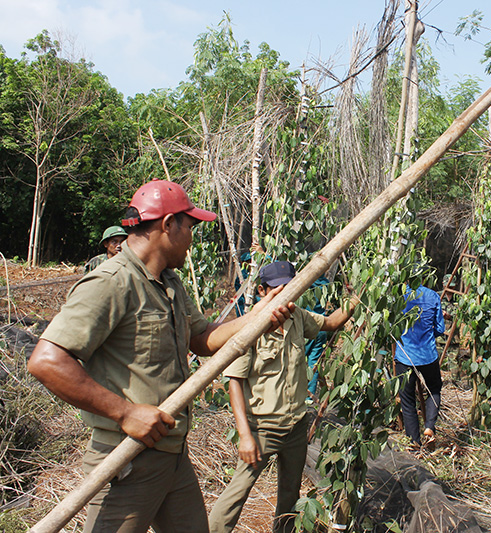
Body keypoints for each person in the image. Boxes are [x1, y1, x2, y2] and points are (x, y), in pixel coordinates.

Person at [27, 180, 294, 533]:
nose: (193, 238)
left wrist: (260, 314)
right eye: (190, 227)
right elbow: (46, 361)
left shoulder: (170, 284)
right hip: (126, 460)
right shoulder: (112, 282)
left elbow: (201, 338)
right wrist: (124, 412)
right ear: (168, 225)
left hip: (172, 455)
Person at [208, 261, 358, 533]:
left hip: (296, 426)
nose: (286, 297)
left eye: (291, 290)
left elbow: (332, 322)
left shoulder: (298, 316)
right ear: (263, 291)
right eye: (279, 291)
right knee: (236, 494)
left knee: (290, 494)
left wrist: (355, 300)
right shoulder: (250, 327)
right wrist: (244, 435)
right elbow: (235, 383)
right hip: (262, 429)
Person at [394, 284, 446, 448]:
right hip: (427, 355)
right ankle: (429, 426)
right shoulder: (432, 296)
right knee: (434, 389)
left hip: (405, 355)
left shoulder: (399, 296)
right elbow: (440, 328)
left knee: (407, 399)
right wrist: (427, 335)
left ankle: (414, 442)